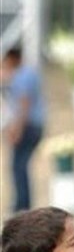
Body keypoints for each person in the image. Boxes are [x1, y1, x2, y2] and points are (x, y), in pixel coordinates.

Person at [1, 46, 45, 212]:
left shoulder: (21, 77)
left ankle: (22, 204)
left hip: (28, 126)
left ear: (12, 59)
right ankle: (23, 202)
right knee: (21, 165)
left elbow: (24, 105)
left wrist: (17, 129)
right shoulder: (29, 74)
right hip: (35, 125)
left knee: (18, 166)